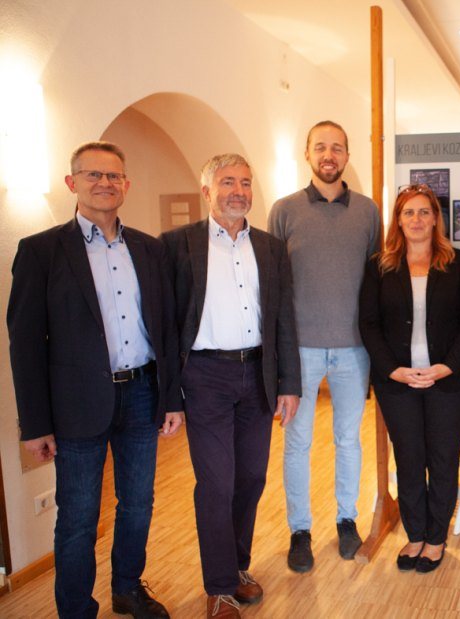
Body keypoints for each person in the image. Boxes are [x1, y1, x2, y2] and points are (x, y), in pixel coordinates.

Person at [7, 141, 183, 618]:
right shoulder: (41, 251)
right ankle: (76, 609)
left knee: (138, 504)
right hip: (76, 404)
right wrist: (35, 424)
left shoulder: (149, 248)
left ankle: (127, 589)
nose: (105, 183)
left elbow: (164, 328)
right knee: (80, 518)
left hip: (143, 394)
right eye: (93, 175)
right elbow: (24, 345)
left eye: (114, 176)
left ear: (126, 184)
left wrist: (172, 398)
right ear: (72, 183)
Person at [161, 154, 301, 618]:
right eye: (226, 182)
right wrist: (169, 395)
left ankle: (238, 566)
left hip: (257, 374)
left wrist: (290, 383)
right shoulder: (177, 245)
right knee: (216, 483)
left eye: (245, 182)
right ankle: (218, 586)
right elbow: (165, 325)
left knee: (252, 478)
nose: (237, 191)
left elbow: (283, 319)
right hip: (205, 378)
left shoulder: (269, 246)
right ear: (207, 191)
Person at [268, 120, 382, 569]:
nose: (328, 155)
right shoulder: (284, 210)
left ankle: (347, 519)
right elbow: (273, 284)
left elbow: (375, 276)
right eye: (320, 147)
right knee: (297, 444)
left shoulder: (369, 212)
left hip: (355, 349)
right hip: (300, 351)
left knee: (348, 439)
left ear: (348, 155)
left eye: (337, 147)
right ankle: (300, 529)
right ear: (308, 155)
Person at [358, 184, 460, 573]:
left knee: (443, 460)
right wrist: (392, 369)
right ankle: (415, 534)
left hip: (450, 382)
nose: (416, 219)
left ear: (435, 218)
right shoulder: (380, 266)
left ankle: (436, 538)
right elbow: (369, 323)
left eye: (423, 212)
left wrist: (448, 364)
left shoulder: (457, 262)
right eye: (408, 212)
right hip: (398, 384)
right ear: (398, 220)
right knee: (409, 459)